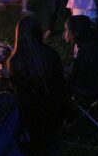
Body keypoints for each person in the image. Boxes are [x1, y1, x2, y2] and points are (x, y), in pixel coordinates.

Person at [7, 16, 67, 149]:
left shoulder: (16, 61)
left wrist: (8, 78)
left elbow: (19, 92)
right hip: (57, 112)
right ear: (38, 33)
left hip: (33, 120)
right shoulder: (51, 53)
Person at [63, 15, 98, 98]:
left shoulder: (86, 51)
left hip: (90, 87)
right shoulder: (95, 42)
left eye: (66, 30)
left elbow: (73, 74)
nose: (64, 33)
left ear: (75, 33)